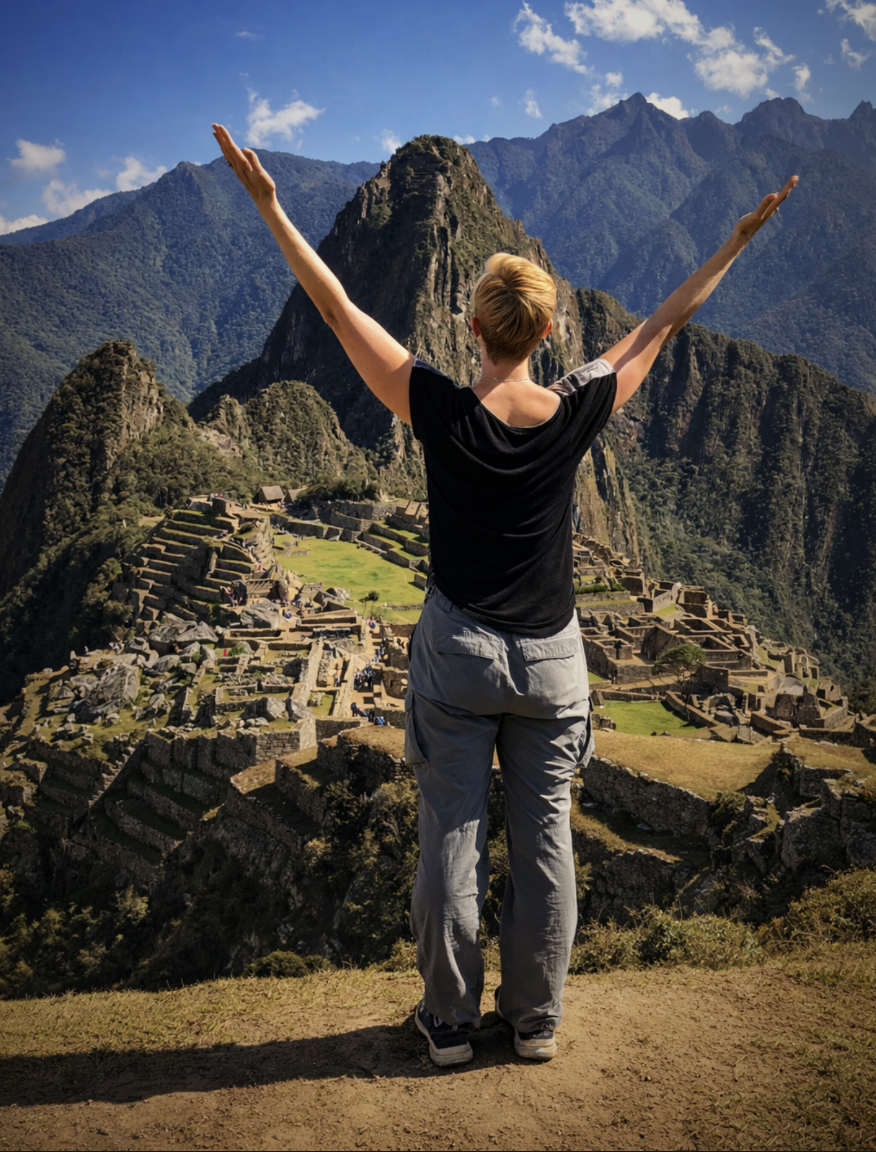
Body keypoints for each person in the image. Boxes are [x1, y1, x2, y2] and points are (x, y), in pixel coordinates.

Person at [213, 121, 796, 1068]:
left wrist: (272, 209)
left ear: (471, 327)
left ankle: (447, 1024)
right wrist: (733, 242)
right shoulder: (576, 409)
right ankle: (534, 1023)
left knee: (452, 839)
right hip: (553, 661)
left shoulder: (437, 407)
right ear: (550, 332)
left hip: (459, 654)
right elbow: (660, 326)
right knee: (548, 843)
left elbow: (335, 311)